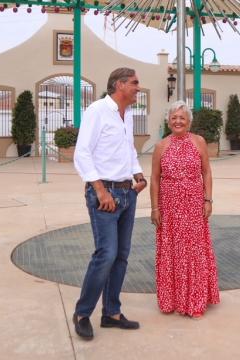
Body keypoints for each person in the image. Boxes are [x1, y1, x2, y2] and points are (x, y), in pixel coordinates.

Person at [72, 67, 147, 340]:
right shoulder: (97, 110)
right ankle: (82, 313)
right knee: (106, 254)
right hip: (105, 196)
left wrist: (138, 173)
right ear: (119, 85)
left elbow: (128, 150)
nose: (139, 88)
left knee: (122, 256)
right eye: (135, 83)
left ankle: (111, 313)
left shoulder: (127, 115)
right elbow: (82, 153)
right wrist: (100, 190)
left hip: (128, 193)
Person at [150, 100, 220, 318]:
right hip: (169, 207)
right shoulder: (161, 146)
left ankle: (195, 299)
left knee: (195, 250)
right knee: (173, 251)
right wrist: (155, 208)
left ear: (189, 122)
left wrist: (208, 200)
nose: (178, 121)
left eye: (182, 117)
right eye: (174, 118)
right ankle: (173, 299)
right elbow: (154, 179)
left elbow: (207, 172)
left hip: (193, 205)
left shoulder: (199, 142)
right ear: (168, 122)